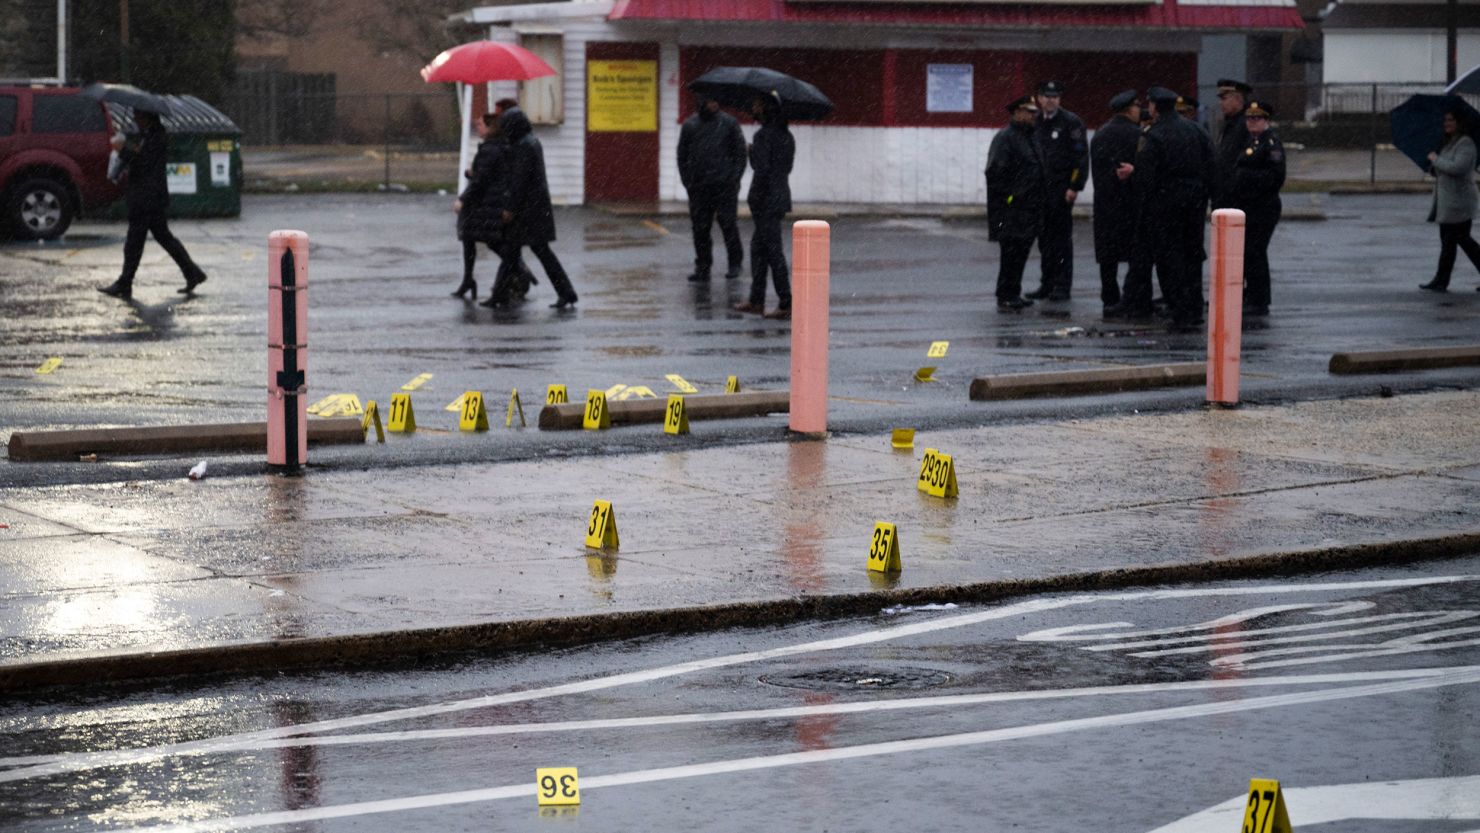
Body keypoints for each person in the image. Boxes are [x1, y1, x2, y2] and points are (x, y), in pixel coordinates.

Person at [97, 110, 207, 300]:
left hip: (146, 198)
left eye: (138, 117)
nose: (135, 120)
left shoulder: (156, 137)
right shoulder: (149, 136)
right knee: (163, 238)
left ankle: (125, 282)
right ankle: (192, 273)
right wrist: (128, 149)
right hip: (149, 197)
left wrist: (123, 150)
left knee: (134, 242)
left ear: (147, 118)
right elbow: (141, 158)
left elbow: (144, 163)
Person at [1133, 86, 1215, 331]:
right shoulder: (1196, 130)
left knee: (1169, 259)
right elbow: (1212, 165)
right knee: (1192, 254)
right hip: (1194, 204)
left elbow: (1144, 177)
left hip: (1165, 205)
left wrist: (1144, 207)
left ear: (1154, 107)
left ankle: (1180, 310)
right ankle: (1194, 307)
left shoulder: (1153, 135)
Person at [487, 106, 579, 309]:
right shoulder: (530, 142)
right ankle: (565, 292)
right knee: (522, 252)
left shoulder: (524, 146)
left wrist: (510, 207)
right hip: (534, 209)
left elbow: (519, 181)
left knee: (520, 252)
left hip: (527, 211)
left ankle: (500, 295)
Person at [452, 112, 534, 300]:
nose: (477, 127)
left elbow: (481, 180)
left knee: (490, 240)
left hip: (486, 203)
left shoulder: (490, 149)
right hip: (490, 201)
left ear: (490, 128)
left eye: (480, 124)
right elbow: (487, 174)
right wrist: (470, 173)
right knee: (473, 238)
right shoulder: (500, 146)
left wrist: (462, 199)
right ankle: (470, 279)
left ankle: (518, 271)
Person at [734, 92, 795, 320]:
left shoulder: (763, 136)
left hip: (765, 200)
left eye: (757, 105)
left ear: (766, 109)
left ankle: (786, 301)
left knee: (772, 251)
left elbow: (762, 168)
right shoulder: (786, 135)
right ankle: (756, 299)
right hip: (779, 197)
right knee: (758, 249)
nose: (753, 108)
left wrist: (751, 153)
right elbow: (783, 168)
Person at [1026, 80, 1087, 302]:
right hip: (1040, 191)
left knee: (1061, 240)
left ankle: (1062, 286)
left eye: (1054, 97)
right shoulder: (1036, 121)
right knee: (1044, 240)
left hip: (1061, 190)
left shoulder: (1071, 122)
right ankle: (1047, 283)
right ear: (1039, 98)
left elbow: (1080, 158)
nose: (1050, 100)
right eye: (1046, 96)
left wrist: (1074, 186)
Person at [1223, 101, 1286, 315]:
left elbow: (1276, 177)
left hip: (1263, 206)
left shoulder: (1271, 143)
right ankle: (1252, 294)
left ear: (1266, 120)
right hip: (1249, 205)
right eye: (1249, 118)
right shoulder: (1254, 141)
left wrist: (1246, 177)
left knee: (1255, 252)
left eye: (1257, 118)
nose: (1252, 122)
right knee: (1248, 252)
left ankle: (1259, 300)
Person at [678, 93, 747, 282]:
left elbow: (740, 154)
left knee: (728, 225)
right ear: (702, 102)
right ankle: (703, 267)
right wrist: (688, 182)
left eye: (716, 101)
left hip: (725, 187)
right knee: (700, 229)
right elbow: (682, 156)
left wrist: (734, 179)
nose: (714, 104)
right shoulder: (690, 125)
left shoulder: (729, 123)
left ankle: (735, 264)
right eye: (710, 101)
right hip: (699, 187)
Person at [986, 95, 1046, 311]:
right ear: (1017, 113)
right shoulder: (1006, 138)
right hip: (1012, 210)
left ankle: (1013, 292)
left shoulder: (1030, 136)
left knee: (1021, 252)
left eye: (1034, 112)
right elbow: (995, 173)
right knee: (1011, 253)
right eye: (1029, 112)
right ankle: (1006, 294)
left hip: (1029, 207)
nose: (1033, 116)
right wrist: (1012, 197)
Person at [1090, 90, 1141, 313]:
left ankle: (1109, 295)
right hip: (1131, 202)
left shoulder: (1100, 134)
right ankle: (1133, 296)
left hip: (1105, 202)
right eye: (1138, 106)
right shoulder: (1138, 134)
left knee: (1107, 256)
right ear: (1130, 109)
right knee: (1135, 254)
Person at [1420, 106, 1480, 293]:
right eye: (1445, 120)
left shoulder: (1465, 143)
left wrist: (1436, 160)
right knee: (1449, 243)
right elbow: (1445, 168)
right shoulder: (1448, 143)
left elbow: (1458, 168)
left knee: (1462, 241)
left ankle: (1441, 280)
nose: (1446, 124)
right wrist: (1433, 167)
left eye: (1450, 120)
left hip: (1460, 203)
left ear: (1459, 123)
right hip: (1448, 203)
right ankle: (1440, 280)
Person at [1214, 79, 1253, 207]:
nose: (1221, 103)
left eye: (1224, 99)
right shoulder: (1230, 124)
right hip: (1226, 195)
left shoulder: (1246, 125)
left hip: (1238, 198)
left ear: (1238, 99)